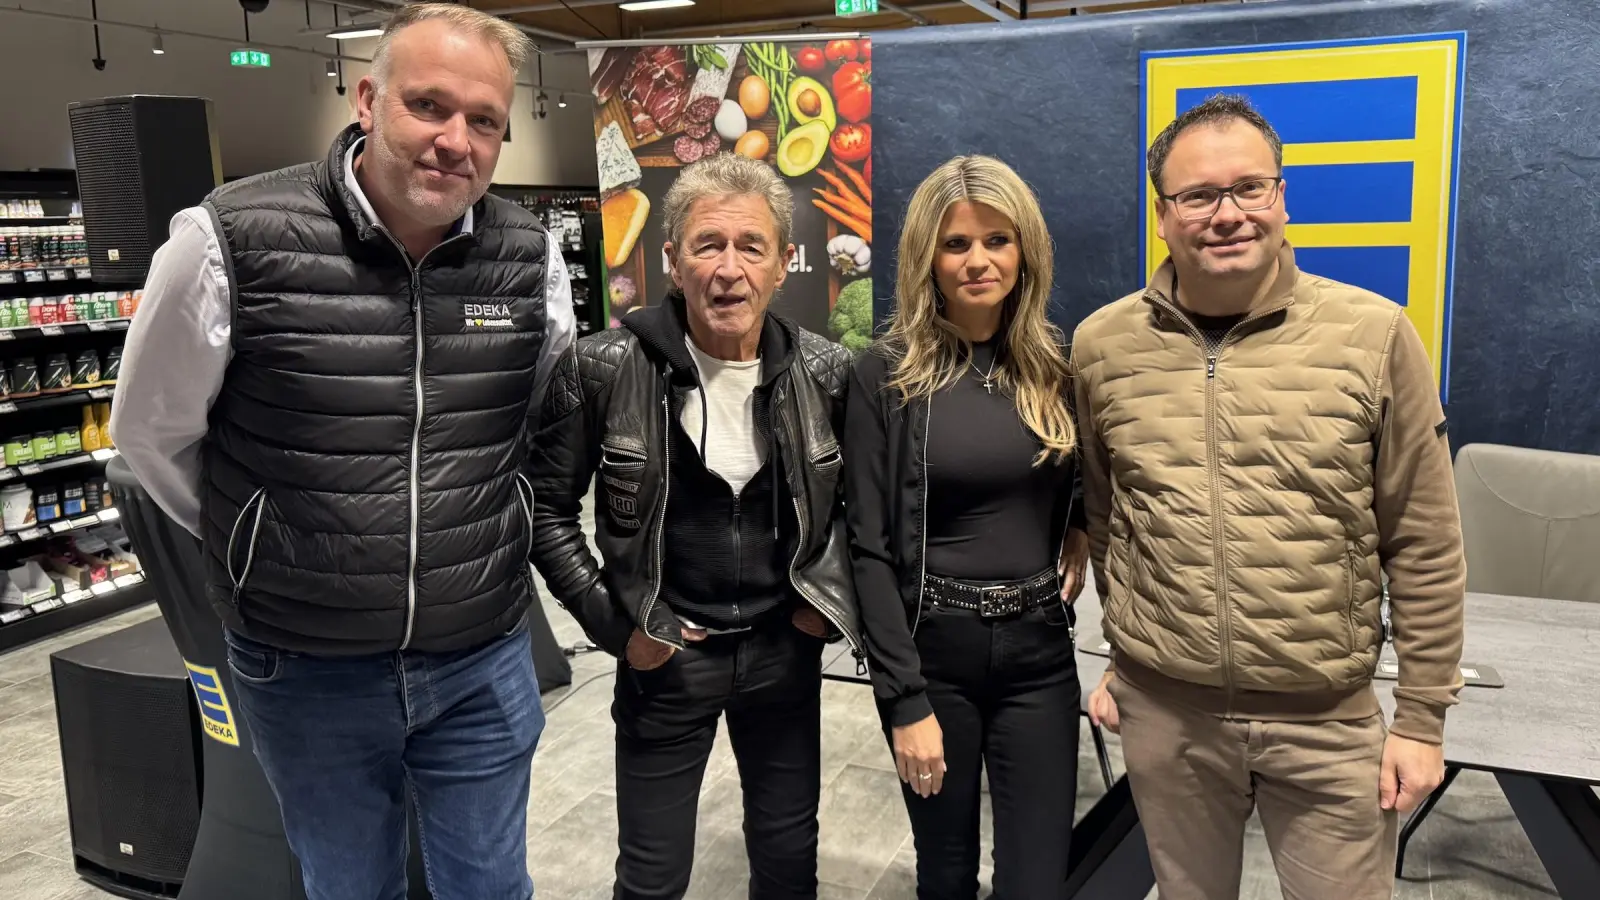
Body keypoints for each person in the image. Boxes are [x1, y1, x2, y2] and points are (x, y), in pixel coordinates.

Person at [109, 5, 567, 898]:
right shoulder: (226, 242)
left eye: (484, 122)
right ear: (367, 98)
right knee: (350, 886)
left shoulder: (527, 257)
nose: (454, 141)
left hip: (481, 654)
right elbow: (151, 433)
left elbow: (536, 417)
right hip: (306, 667)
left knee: (492, 888)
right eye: (428, 106)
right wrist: (253, 536)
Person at [1073, 93, 1466, 900]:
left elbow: (1424, 541)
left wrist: (1423, 719)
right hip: (1167, 717)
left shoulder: (1376, 335)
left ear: (1282, 196)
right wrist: (1128, 656)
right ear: (1161, 214)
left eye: (1250, 188)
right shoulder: (1102, 345)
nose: (1228, 214)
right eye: (1198, 196)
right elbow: (1112, 520)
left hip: (1326, 721)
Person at [526, 152, 862, 900]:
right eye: (709, 245)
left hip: (783, 653)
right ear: (672, 260)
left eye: (752, 246)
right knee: (650, 877)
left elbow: (859, 513)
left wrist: (823, 609)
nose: (729, 269)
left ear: (783, 264)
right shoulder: (604, 369)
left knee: (787, 862)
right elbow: (543, 510)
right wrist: (618, 627)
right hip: (667, 658)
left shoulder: (828, 372)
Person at [843, 154, 1090, 900]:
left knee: (1036, 880)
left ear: (1026, 251)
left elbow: (1074, 481)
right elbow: (868, 550)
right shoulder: (885, 374)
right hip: (935, 656)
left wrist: (1077, 522)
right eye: (956, 244)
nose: (978, 260)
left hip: (1040, 656)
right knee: (945, 877)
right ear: (928, 257)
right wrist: (903, 699)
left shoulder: (1056, 367)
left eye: (997, 240)